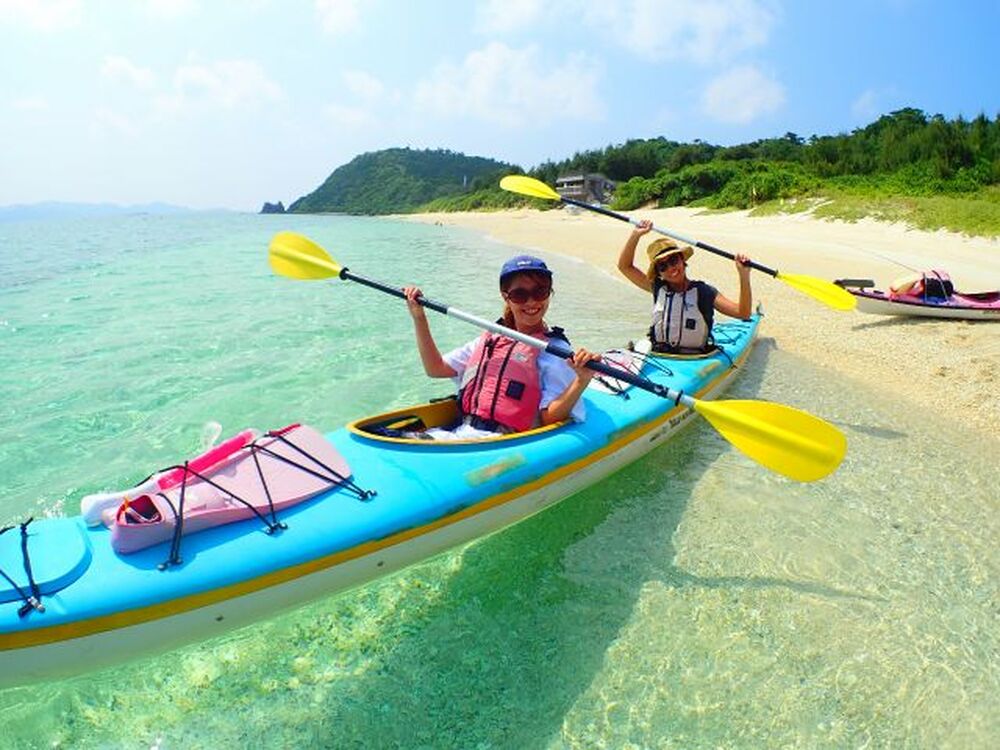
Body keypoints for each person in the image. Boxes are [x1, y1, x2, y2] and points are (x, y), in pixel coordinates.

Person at [403, 255, 600, 440]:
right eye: (520, 295)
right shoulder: (492, 339)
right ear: (506, 297)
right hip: (462, 431)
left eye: (540, 292)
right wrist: (419, 318)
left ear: (549, 294)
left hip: (503, 441)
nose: (531, 301)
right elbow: (435, 369)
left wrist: (581, 380)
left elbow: (549, 418)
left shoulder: (554, 351)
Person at [617, 220, 752, 353]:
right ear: (659, 273)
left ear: (682, 260)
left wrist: (743, 275)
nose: (671, 268)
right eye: (663, 266)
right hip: (660, 356)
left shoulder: (705, 292)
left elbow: (743, 313)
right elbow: (624, 267)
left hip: (696, 358)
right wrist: (636, 235)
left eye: (673, 260)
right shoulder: (657, 288)